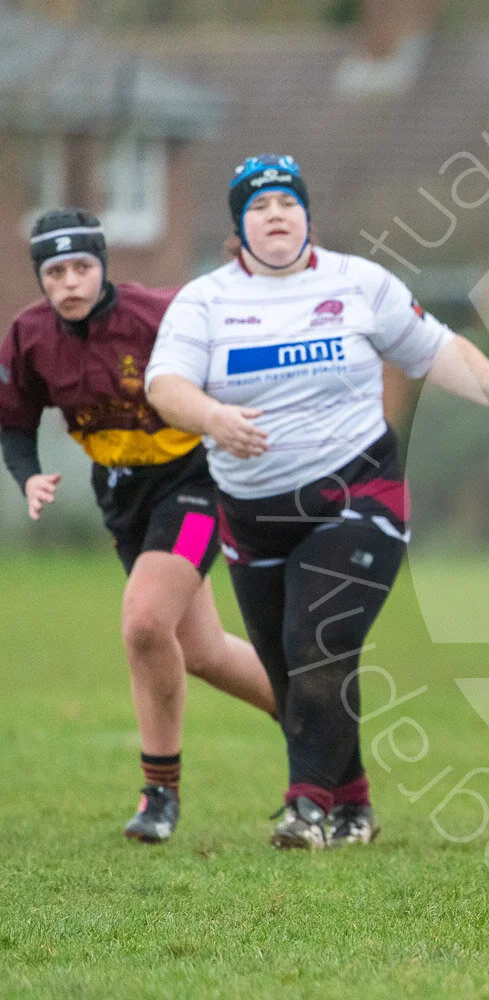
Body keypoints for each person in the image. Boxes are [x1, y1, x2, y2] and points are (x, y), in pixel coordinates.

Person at [145, 154, 489, 849]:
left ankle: (306, 808)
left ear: (308, 216)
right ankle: (354, 803)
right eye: (259, 206)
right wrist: (212, 417)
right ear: (239, 228)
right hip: (252, 515)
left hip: (359, 490)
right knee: (287, 672)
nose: (276, 214)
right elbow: (163, 386)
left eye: (287, 203)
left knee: (319, 639)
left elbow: (436, 349)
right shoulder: (204, 301)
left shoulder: (358, 283)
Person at [0, 209, 277, 843]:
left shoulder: (161, 314)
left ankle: (159, 793)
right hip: (122, 493)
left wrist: (252, 270)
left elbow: (231, 320)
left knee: (147, 620)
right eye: (55, 271)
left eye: (82, 267)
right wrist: (28, 476)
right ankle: (316, 724)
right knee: (200, 651)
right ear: (40, 278)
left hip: (194, 482)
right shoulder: (29, 336)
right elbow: (14, 422)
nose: (70, 282)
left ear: (104, 266)